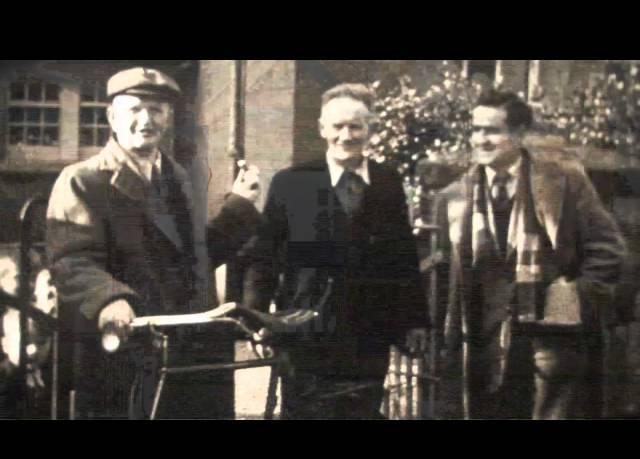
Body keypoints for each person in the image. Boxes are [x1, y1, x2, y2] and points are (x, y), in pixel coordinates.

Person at [46, 67, 261, 418]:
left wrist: (239, 205)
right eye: (135, 109)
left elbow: (195, 254)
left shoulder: (176, 176)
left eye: (157, 110)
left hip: (186, 350)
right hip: (126, 351)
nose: (146, 119)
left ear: (168, 117)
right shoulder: (83, 181)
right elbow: (72, 261)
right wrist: (109, 299)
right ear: (112, 117)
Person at [435, 89, 626, 419]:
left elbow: (609, 251)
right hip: (481, 342)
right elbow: (444, 279)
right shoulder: (453, 198)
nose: (481, 140)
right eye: (476, 129)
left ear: (519, 134)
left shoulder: (562, 182)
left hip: (549, 342)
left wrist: (575, 294)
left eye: (492, 130)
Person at [243, 83, 428, 419]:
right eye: (338, 126)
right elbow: (263, 256)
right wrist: (256, 316)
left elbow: (403, 255)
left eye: (356, 126)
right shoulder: (292, 182)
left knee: (361, 411)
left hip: (369, 331)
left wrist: (414, 320)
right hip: (306, 329)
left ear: (370, 130)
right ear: (322, 128)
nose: (346, 136)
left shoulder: (388, 183)